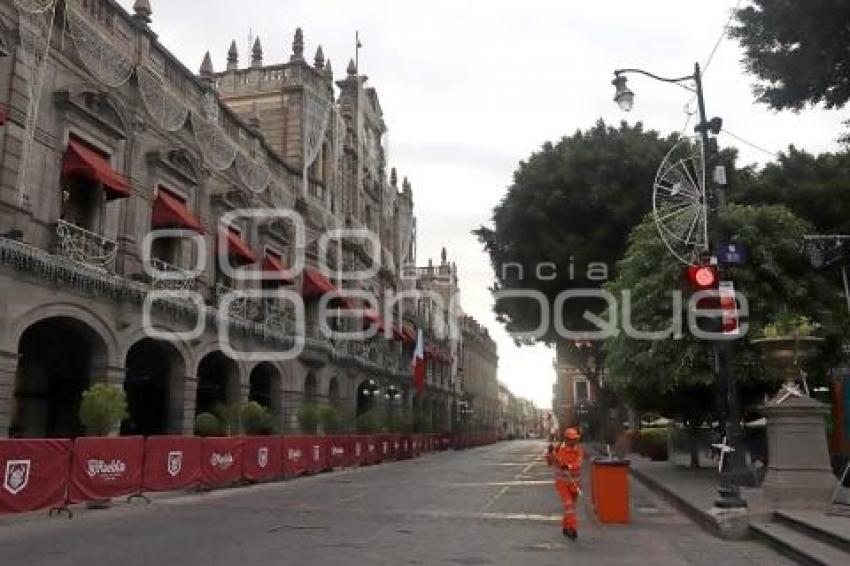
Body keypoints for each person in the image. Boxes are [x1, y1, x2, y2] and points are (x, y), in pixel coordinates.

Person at [554, 427, 584, 540]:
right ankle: (572, 528)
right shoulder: (559, 449)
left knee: (571, 508)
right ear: (566, 439)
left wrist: (569, 466)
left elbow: (579, 462)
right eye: (570, 439)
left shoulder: (579, 450)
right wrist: (550, 455)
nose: (572, 441)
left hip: (574, 484)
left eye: (574, 439)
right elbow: (552, 461)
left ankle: (566, 527)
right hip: (562, 483)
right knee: (569, 506)